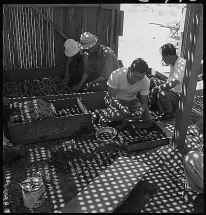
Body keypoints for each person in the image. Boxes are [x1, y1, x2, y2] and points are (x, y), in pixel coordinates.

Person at [93, 58, 153, 125]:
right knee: (118, 115)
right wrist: (120, 106)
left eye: (140, 78)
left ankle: (122, 120)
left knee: (148, 117)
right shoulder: (116, 75)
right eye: (135, 76)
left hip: (132, 101)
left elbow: (144, 103)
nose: (137, 80)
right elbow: (111, 97)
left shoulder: (146, 81)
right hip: (116, 100)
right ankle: (101, 112)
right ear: (130, 70)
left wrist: (140, 111)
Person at [149, 43, 186, 120]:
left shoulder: (181, 65)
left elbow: (172, 84)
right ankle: (155, 106)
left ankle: (169, 113)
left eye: (163, 57)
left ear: (168, 56)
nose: (162, 59)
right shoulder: (173, 63)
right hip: (172, 91)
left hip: (179, 95)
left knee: (162, 92)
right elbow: (168, 81)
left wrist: (157, 88)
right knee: (152, 81)